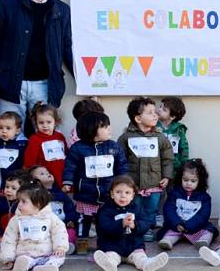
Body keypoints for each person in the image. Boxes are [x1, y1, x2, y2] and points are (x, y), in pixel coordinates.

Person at [63, 111, 128, 250]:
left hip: (107, 193)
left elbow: (122, 166)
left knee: (104, 220)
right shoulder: (78, 148)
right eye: (104, 126)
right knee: (82, 220)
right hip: (86, 193)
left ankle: (104, 244)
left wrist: (124, 183)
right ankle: (81, 242)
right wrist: (67, 181)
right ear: (91, 130)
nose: (109, 129)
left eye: (109, 125)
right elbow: (70, 167)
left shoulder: (114, 147)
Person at [118, 97, 174, 236]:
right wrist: (123, 179)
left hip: (154, 182)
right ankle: (135, 227)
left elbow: (167, 159)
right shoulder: (126, 138)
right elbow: (120, 160)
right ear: (138, 118)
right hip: (134, 184)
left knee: (151, 208)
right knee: (135, 207)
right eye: (150, 113)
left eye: (155, 111)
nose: (155, 115)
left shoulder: (160, 137)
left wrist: (167, 176)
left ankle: (147, 228)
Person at [92, 175, 170, 271]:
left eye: (127, 193)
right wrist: (121, 224)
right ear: (112, 194)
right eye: (118, 192)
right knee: (111, 256)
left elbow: (146, 222)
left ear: (133, 195)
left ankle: (147, 264)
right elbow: (104, 227)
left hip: (133, 246)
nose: (123, 196)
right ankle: (110, 265)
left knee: (139, 257)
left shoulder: (137, 208)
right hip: (112, 246)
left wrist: (135, 225)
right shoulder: (106, 209)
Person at [0, 183, 69, 271]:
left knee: (59, 257)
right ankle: (23, 266)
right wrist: (8, 258)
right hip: (26, 253)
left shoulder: (50, 217)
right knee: (23, 259)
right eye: (19, 201)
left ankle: (48, 267)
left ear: (37, 204)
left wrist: (60, 247)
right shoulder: (16, 220)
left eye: (24, 202)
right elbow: (9, 238)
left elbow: (59, 232)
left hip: (47, 254)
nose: (19, 205)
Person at [157, 159, 215, 250]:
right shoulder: (174, 193)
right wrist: (177, 223)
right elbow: (169, 210)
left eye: (193, 181)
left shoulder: (204, 197)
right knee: (169, 230)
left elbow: (203, 215)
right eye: (185, 180)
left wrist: (190, 225)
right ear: (180, 178)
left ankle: (203, 241)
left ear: (200, 181)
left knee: (209, 230)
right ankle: (168, 241)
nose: (188, 183)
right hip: (177, 226)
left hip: (195, 227)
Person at [22, 102, 69, 184]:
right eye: (41, 123)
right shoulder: (34, 139)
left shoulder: (60, 136)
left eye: (49, 122)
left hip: (62, 177)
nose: (45, 126)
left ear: (55, 122)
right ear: (36, 123)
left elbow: (66, 154)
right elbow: (29, 162)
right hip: (44, 181)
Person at [0, 111, 27, 193]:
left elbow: (24, 166)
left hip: (14, 188)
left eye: (8, 128)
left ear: (17, 130)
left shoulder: (22, 145)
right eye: (1, 128)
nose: (4, 131)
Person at [156, 96, 190, 176]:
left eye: (164, 109)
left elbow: (183, 147)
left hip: (174, 165)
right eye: (160, 106)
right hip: (157, 166)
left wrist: (183, 165)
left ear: (172, 117)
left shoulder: (179, 129)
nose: (159, 110)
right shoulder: (153, 126)